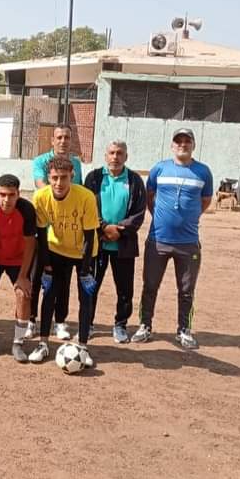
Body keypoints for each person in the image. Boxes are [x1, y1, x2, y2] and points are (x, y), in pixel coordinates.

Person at [132, 128, 213, 349]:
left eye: (187, 141)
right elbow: (149, 197)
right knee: (150, 285)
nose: (182, 145)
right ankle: (145, 326)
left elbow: (205, 200)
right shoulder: (159, 169)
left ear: (193, 145)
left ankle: (184, 330)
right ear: (172, 145)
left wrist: (189, 217)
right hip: (158, 240)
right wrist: (161, 217)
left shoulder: (203, 172)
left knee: (186, 290)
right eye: (178, 141)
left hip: (188, 243)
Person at [29, 157, 99, 366]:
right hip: (56, 249)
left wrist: (85, 270)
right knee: (49, 293)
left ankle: (83, 347)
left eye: (64, 178)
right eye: (54, 178)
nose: (59, 183)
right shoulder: (40, 196)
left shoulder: (86, 197)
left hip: (84, 253)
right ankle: (43, 343)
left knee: (85, 297)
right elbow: (41, 234)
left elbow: (89, 236)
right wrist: (46, 264)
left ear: (72, 177)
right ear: (48, 178)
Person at [83, 140, 146, 343]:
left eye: (119, 153)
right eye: (111, 153)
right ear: (105, 155)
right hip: (97, 243)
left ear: (126, 157)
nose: (115, 157)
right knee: (91, 285)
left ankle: (120, 325)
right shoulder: (93, 178)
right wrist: (103, 227)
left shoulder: (135, 180)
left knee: (125, 289)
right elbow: (87, 206)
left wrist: (119, 230)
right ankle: (87, 324)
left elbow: (139, 212)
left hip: (123, 244)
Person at [29, 123, 83, 340]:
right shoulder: (40, 161)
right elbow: (42, 186)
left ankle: (60, 322)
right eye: (59, 137)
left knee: (63, 281)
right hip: (43, 230)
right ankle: (31, 319)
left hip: (67, 233)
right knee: (36, 278)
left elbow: (78, 191)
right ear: (52, 140)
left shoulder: (76, 163)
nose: (63, 141)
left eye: (67, 137)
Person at [0, 174, 36, 362]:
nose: (6, 199)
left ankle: (18, 343)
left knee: (23, 295)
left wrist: (23, 276)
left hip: (18, 260)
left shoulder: (27, 210)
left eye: (11, 195)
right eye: (2, 194)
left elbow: (30, 244)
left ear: (18, 194)